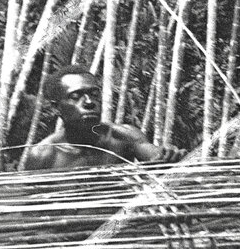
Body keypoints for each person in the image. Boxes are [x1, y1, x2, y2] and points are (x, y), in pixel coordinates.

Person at [22, 64, 185, 171]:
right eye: (75, 96)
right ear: (55, 107)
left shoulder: (123, 136)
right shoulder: (42, 155)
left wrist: (168, 156)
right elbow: (32, 212)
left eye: (93, 94)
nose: (89, 102)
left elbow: (156, 156)